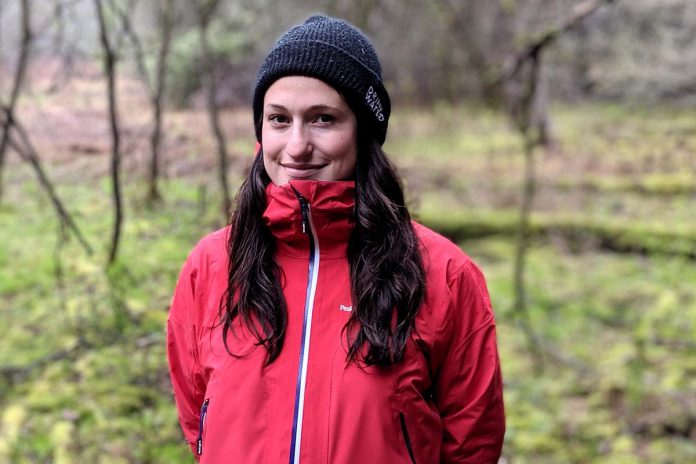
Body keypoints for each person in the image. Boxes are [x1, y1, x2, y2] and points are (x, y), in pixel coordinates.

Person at [167, 14, 504, 464]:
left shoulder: (444, 275)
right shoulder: (210, 266)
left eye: (323, 119)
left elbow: (472, 444)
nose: (297, 145)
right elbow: (199, 421)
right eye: (279, 119)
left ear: (363, 132)